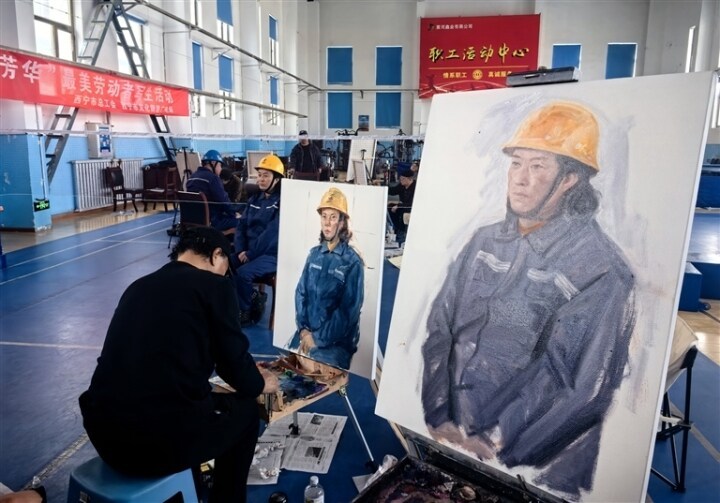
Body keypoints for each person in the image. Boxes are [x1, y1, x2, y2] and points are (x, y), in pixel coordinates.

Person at [421, 102, 636, 499]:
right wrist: (437, 416)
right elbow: (441, 328)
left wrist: (495, 441)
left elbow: (579, 388)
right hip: (451, 440)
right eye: (517, 163)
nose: (520, 179)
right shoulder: (484, 242)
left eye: (537, 167)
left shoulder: (601, 269)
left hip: (530, 469)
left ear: (570, 179)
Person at [79, 226, 279, 503]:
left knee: (191, 402)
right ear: (216, 255)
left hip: (104, 436)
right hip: (154, 448)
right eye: (226, 268)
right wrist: (261, 383)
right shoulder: (215, 286)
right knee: (245, 412)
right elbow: (234, 365)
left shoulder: (138, 286)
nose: (225, 275)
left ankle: (192, 483)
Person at [286, 187, 364, 370]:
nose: (327, 223)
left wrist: (317, 339)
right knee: (285, 366)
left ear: (342, 223)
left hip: (334, 344)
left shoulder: (352, 262)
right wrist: (303, 330)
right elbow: (301, 293)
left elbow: (347, 312)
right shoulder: (314, 254)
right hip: (306, 334)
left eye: (333, 217)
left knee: (308, 373)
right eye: (324, 216)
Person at [232, 154, 284, 326]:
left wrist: (250, 254)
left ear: (277, 179)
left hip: (270, 254)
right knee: (223, 265)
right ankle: (254, 297)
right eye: (259, 175)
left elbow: (271, 234)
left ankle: (246, 311)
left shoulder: (282, 202)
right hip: (248, 251)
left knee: (243, 274)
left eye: (266, 175)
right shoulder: (254, 199)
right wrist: (240, 250)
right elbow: (241, 226)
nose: (261, 179)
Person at [186, 149, 239, 231]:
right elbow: (223, 201)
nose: (221, 169)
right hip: (212, 221)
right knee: (241, 222)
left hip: (193, 221)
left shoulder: (192, 177)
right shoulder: (213, 178)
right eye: (220, 165)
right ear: (213, 163)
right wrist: (234, 213)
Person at [387, 161, 416, 242]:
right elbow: (393, 191)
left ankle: (401, 234)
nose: (401, 181)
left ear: (410, 179)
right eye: (400, 179)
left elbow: (412, 203)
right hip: (402, 206)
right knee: (390, 206)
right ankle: (396, 228)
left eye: (403, 179)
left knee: (402, 211)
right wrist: (382, 187)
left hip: (410, 207)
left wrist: (399, 205)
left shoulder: (415, 188)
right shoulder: (402, 186)